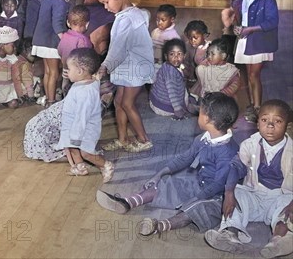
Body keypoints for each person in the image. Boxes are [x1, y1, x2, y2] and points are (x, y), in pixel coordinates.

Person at [97, 92, 240, 236]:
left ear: (208, 119)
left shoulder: (228, 153)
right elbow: (185, 158)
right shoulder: (203, 138)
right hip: (199, 185)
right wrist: (159, 174)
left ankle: (159, 226)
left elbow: (218, 185)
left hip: (217, 197)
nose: (198, 114)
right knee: (165, 184)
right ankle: (128, 202)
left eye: (200, 112)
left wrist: (195, 199)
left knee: (195, 209)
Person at [204, 100, 292, 258]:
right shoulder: (249, 144)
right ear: (257, 124)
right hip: (255, 194)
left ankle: (278, 241)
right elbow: (235, 167)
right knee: (236, 194)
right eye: (264, 120)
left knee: (287, 213)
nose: (270, 126)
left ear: (288, 126)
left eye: (277, 121)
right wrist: (229, 193)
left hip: (282, 197)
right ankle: (229, 234)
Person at [96, 0, 154, 152]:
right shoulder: (131, 13)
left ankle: (144, 140)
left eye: (106, 2)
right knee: (118, 102)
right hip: (127, 67)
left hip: (135, 68)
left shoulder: (127, 19)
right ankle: (123, 139)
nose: (106, 7)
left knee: (127, 104)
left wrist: (104, 67)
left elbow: (118, 49)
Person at [225, 0, 279, 122]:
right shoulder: (241, 0)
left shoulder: (267, 0)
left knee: (254, 75)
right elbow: (240, 19)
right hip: (246, 41)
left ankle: (257, 108)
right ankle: (255, 104)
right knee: (249, 75)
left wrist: (251, 29)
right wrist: (238, 28)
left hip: (259, 43)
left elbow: (272, 22)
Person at [56, 48, 114, 182]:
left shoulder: (85, 93)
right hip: (74, 125)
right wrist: (70, 74)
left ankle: (105, 165)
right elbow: (94, 76)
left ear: (80, 71)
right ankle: (80, 167)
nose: (67, 72)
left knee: (85, 152)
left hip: (85, 128)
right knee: (72, 147)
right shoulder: (88, 81)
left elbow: (82, 117)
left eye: (69, 69)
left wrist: (76, 136)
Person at [31, 0, 72, 107]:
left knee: (48, 72)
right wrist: (65, 39)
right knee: (54, 72)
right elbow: (57, 23)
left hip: (41, 40)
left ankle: (49, 99)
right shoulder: (60, 2)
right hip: (51, 41)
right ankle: (51, 101)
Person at [149, 39, 191, 119]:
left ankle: (187, 105)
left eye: (179, 54)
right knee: (185, 92)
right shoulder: (170, 72)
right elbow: (172, 93)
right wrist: (178, 110)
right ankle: (185, 106)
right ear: (166, 56)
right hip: (164, 108)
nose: (176, 57)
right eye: (172, 54)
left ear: (184, 56)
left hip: (157, 102)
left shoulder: (168, 65)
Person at [57, 5, 93, 95]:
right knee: (77, 92)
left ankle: (66, 101)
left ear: (68, 23)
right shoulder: (83, 40)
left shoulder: (65, 36)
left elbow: (59, 50)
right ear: (87, 24)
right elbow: (86, 58)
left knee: (65, 87)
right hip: (78, 73)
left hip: (65, 69)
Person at [183, 20, 210, 93]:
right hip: (189, 79)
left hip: (204, 82)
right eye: (190, 38)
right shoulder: (187, 46)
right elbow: (185, 63)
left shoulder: (209, 48)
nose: (192, 40)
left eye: (195, 37)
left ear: (204, 36)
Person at [150, 4, 180, 71]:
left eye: (163, 20)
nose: (159, 22)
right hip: (152, 63)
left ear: (172, 19)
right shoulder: (154, 31)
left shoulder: (174, 36)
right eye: (157, 19)